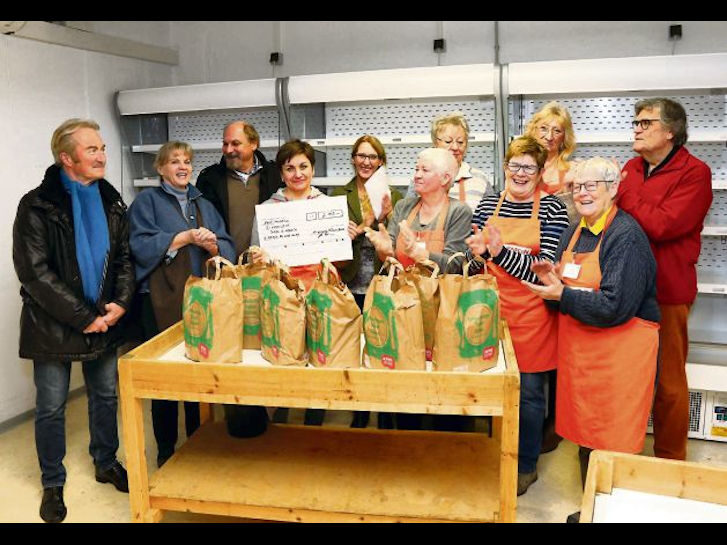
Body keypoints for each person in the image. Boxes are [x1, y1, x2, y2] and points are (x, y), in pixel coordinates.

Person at [524, 157, 660, 522]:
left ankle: (612, 514)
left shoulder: (626, 236)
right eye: (576, 186)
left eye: (590, 185)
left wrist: (562, 296)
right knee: (586, 439)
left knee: (613, 446)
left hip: (619, 360)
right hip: (583, 358)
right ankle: (592, 511)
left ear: (613, 188)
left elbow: (615, 306)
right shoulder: (576, 229)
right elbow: (564, 281)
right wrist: (551, 278)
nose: (581, 193)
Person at [12, 118, 136, 523]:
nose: (102, 155)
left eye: (102, 148)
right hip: (54, 325)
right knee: (50, 407)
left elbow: (122, 259)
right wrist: (84, 318)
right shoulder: (36, 205)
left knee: (105, 396)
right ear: (67, 157)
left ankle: (105, 462)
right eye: (92, 150)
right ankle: (52, 482)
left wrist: (120, 302)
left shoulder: (112, 200)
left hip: (104, 319)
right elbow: (34, 273)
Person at [466, 136, 569, 496]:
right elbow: (477, 259)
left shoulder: (553, 209)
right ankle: (492, 453)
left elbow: (543, 271)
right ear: (505, 167)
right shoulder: (489, 203)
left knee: (529, 396)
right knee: (487, 388)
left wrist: (497, 253)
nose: (520, 173)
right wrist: (482, 256)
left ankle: (525, 465)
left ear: (541, 173)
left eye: (529, 167)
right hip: (488, 309)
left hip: (532, 313)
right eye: (515, 164)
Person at [128, 141, 236, 468]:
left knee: (198, 373)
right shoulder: (146, 202)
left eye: (187, 161)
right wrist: (185, 239)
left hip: (201, 303)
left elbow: (226, 245)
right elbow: (139, 245)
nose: (183, 166)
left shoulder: (201, 201)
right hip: (160, 303)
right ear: (160, 168)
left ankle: (198, 440)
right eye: (175, 161)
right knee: (164, 379)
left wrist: (213, 245)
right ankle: (165, 449)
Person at [618, 98, 713, 461]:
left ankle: (671, 462)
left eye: (646, 123)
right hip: (625, 289)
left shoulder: (695, 173)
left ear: (670, 131)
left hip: (668, 292)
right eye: (636, 122)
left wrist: (624, 192)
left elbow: (663, 225)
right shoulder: (631, 166)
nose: (637, 128)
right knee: (629, 377)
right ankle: (624, 453)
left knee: (669, 384)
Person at [366, 147, 472, 430]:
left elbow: (456, 262)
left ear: (446, 178)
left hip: (440, 311)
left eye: (425, 170)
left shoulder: (459, 212)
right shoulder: (404, 207)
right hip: (403, 308)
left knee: (440, 386)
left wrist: (420, 253)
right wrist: (383, 247)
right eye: (416, 168)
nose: (416, 175)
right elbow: (389, 255)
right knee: (402, 383)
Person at [196, 120, 283, 440]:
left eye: (236, 144)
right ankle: (240, 419)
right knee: (233, 345)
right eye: (225, 144)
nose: (229, 150)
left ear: (253, 144)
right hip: (228, 274)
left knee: (266, 341)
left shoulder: (274, 174)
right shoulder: (210, 178)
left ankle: (272, 413)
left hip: (266, 274)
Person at [250, 139, 327, 426]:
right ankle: (281, 417)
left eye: (303, 166)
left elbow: (339, 259)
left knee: (318, 359)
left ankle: (314, 421)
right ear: (281, 173)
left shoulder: (326, 207)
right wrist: (258, 255)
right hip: (282, 297)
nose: (297, 174)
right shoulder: (269, 209)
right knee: (284, 356)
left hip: (318, 294)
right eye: (290, 168)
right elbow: (254, 254)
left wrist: (341, 237)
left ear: (312, 169)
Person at [332, 135, 403, 429]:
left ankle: (386, 414)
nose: (366, 162)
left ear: (382, 162)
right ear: (352, 159)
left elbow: (397, 242)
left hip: (381, 282)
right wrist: (344, 235)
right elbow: (330, 243)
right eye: (360, 156)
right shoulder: (338, 194)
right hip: (350, 281)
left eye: (372, 157)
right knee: (354, 350)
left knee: (384, 347)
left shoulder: (396, 198)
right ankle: (359, 413)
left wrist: (381, 219)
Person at [523, 101, 578, 453]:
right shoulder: (525, 165)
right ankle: (536, 420)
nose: (550, 136)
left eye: (557, 130)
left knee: (561, 347)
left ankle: (555, 424)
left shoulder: (571, 171)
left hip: (565, 256)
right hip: (530, 259)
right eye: (544, 128)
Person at [406, 111, 495, 210]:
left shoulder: (480, 179)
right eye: (448, 141)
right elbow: (407, 215)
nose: (455, 147)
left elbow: (490, 218)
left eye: (460, 142)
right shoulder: (420, 177)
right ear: (435, 143)